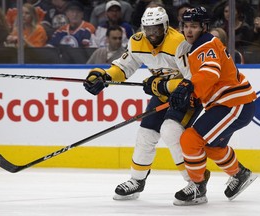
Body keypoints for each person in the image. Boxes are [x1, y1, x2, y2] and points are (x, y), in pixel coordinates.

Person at [83, 6, 209, 201]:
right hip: (163, 93)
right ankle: (137, 180)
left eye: (156, 29)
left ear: (166, 26)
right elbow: (125, 67)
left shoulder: (179, 43)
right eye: (148, 29)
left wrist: (164, 85)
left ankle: (196, 183)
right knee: (146, 133)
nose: (152, 34)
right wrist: (105, 76)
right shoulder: (137, 41)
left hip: (186, 96)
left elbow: (191, 79)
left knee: (170, 131)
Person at [169, 6, 258, 206]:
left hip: (234, 103)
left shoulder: (205, 45)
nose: (189, 30)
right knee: (211, 145)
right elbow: (208, 81)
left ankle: (198, 187)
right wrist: (193, 94)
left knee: (191, 140)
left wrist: (190, 85)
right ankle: (240, 174)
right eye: (186, 26)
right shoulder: (198, 46)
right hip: (230, 103)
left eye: (194, 26)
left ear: (204, 27)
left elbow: (210, 72)